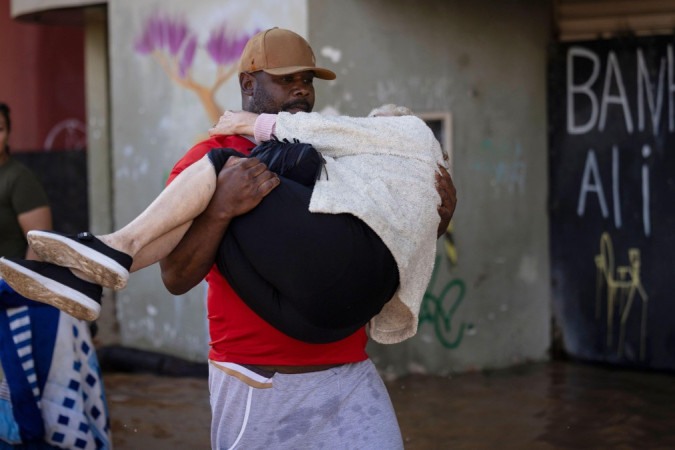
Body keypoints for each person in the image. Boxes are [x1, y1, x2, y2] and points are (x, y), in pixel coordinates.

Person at [8, 29, 457, 448]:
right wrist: (220, 208)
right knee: (229, 171)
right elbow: (177, 276)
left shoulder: (324, 153)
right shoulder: (205, 161)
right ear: (248, 84)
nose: (300, 89)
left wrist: (433, 218)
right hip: (258, 382)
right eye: (285, 80)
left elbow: (370, 241)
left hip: (348, 372)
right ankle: (99, 262)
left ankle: (99, 260)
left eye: (307, 80)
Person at [0, 103, 111, 449]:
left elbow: (39, 247)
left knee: (25, 390)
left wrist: (21, 291)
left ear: (7, 134)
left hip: (16, 299)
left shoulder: (18, 179)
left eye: (0, 128)